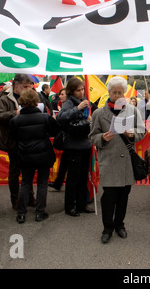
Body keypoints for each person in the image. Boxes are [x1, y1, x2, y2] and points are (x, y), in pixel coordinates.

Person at [90, 76, 146, 243]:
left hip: (126, 161)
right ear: (108, 93)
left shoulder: (133, 110)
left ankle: (120, 224)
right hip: (108, 159)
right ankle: (107, 228)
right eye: (114, 92)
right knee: (108, 197)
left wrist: (133, 134)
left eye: (120, 92)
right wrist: (102, 137)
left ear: (124, 93)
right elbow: (92, 136)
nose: (117, 95)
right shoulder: (99, 113)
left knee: (123, 196)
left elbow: (141, 131)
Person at [10, 89, 60, 223]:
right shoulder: (44, 117)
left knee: (26, 183)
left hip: (25, 155)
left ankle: (21, 213)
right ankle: (40, 212)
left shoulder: (16, 120)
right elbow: (54, 132)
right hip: (43, 154)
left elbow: (13, 137)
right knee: (42, 183)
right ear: (36, 101)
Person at [0, 74, 35, 210]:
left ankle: (29, 196)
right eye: (25, 86)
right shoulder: (5, 99)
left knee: (28, 170)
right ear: (15, 85)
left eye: (29, 86)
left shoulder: (33, 97)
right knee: (15, 171)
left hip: (28, 139)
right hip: (13, 141)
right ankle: (15, 198)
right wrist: (14, 113)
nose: (28, 89)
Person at [56, 78, 95, 217]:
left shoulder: (83, 101)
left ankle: (81, 204)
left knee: (83, 176)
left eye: (82, 89)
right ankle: (70, 206)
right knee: (73, 178)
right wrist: (77, 109)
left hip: (85, 143)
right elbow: (60, 117)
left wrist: (89, 118)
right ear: (72, 91)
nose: (81, 92)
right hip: (73, 145)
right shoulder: (69, 103)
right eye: (78, 90)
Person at [49, 88, 68, 191]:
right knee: (64, 163)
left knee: (66, 163)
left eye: (62, 94)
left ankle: (58, 182)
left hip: (69, 140)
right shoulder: (62, 105)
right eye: (60, 94)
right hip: (65, 139)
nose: (60, 96)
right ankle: (58, 182)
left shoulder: (68, 107)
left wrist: (58, 118)